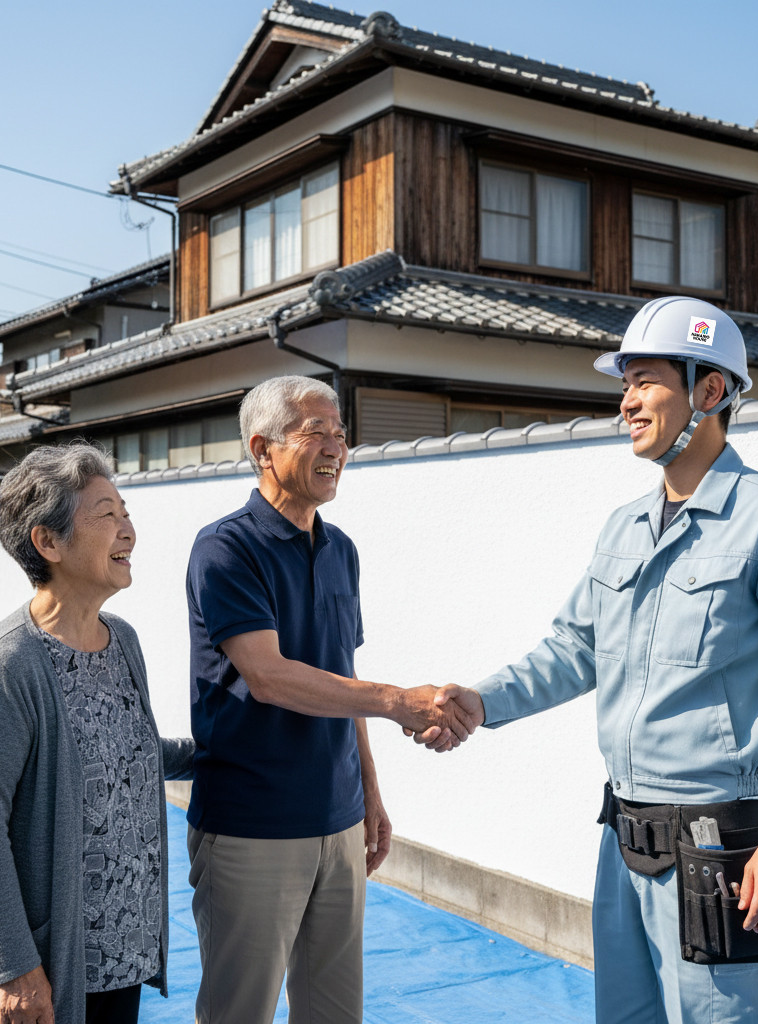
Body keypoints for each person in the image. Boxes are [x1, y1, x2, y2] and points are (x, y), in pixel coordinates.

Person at [425, 297, 758, 1023]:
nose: (626, 403)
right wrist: (481, 701)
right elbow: (574, 648)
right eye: (625, 385)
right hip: (623, 840)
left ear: (709, 391)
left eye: (646, 381)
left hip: (721, 848)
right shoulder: (625, 528)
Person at [185, 374, 475, 1024]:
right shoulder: (226, 548)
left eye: (341, 434)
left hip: (339, 822)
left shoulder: (341, 549)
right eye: (317, 432)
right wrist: (399, 701)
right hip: (252, 826)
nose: (337, 448)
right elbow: (270, 676)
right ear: (262, 449)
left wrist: (369, 793)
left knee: (335, 1013)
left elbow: (340, 674)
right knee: (239, 1014)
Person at [0, 443, 194, 1024]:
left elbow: (123, 750)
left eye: (126, 513)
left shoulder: (122, 640)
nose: (128, 530)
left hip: (122, 956)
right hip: (51, 970)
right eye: (107, 515)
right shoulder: (7, 667)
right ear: (47, 542)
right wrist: (15, 969)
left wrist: (214, 753)